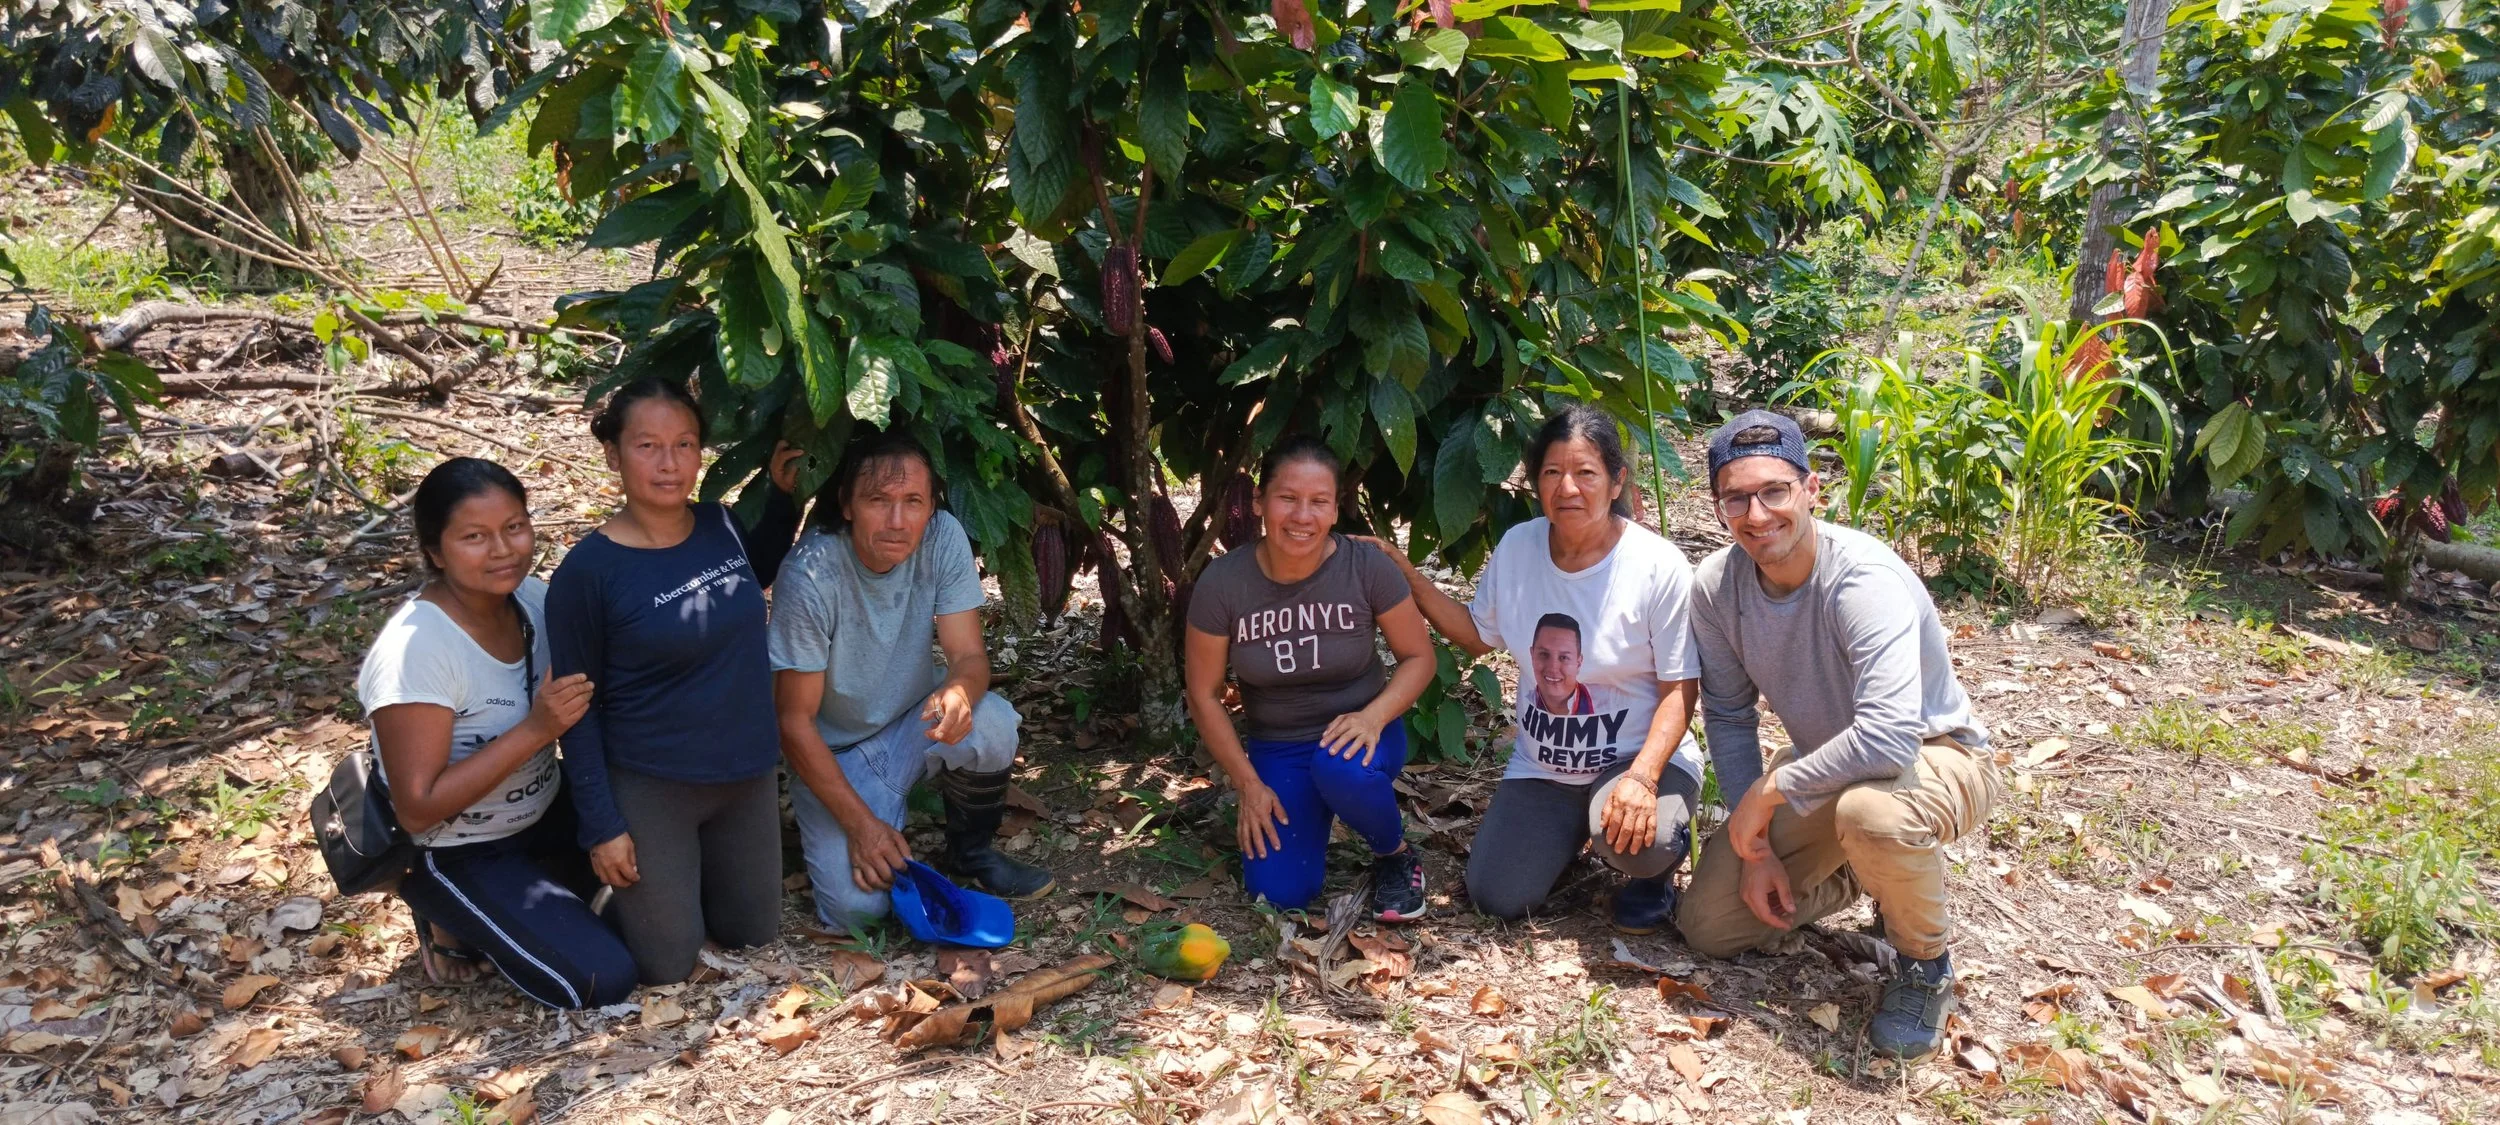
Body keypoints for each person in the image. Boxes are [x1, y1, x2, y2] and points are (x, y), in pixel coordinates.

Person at [1676, 410, 1999, 1062]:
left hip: (1938, 754)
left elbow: (1886, 739)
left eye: (1774, 491)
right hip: (1829, 762)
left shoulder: (1861, 579)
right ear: (1717, 506)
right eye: (1736, 497)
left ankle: (1923, 963)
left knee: (1870, 812)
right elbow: (1731, 716)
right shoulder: (1716, 587)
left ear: (1810, 490)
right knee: (1708, 925)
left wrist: (1769, 793)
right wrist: (1754, 836)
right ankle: (1866, 871)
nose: (1757, 513)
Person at [1364, 405, 1704, 932]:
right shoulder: (1519, 546)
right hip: (1548, 766)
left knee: (1644, 843)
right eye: (1552, 473)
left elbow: (1680, 687)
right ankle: (1567, 832)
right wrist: (1409, 577)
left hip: (1636, 759)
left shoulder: (1656, 566)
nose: (1568, 488)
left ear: (1617, 482)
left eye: (1586, 473)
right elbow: (1478, 635)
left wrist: (1642, 777)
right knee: (1496, 894)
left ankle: (1651, 879)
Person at [547, 377, 805, 985]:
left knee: (752, 931)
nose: (669, 464)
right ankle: (580, 882)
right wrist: (602, 826)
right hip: (652, 779)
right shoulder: (588, 572)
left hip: (743, 773)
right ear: (613, 455)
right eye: (647, 446)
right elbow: (575, 711)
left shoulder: (721, 525)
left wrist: (784, 496)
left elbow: (756, 570)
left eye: (684, 445)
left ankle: (680, 882)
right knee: (666, 961)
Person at [356, 457, 636, 1008]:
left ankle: (510, 909)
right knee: (602, 979)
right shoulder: (416, 652)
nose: (503, 549)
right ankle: (438, 905)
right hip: (460, 846)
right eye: (474, 537)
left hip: (547, 812)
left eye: (514, 527)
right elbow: (417, 808)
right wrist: (537, 728)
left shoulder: (533, 599)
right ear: (436, 552)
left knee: (671, 916)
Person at [769, 430, 1055, 934]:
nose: (898, 521)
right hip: (834, 758)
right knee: (858, 912)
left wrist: (960, 692)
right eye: (879, 500)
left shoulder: (942, 536)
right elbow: (793, 723)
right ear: (848, 504)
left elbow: (969, 655)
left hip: (908, 724)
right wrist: (861, 826)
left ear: (931, 506)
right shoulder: (811, 575)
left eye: (913, 502)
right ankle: (876, 822)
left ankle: (970, 852)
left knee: (989, 721)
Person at [1183, 437, 1438, 920]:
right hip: (1280, 745)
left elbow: (1418, 657)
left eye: (1319, 501)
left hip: (1364, 731)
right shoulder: (1224, 582)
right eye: (1287, 498)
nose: (1302, 516)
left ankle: (1395, 855)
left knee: (1340, 767)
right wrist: (1248, 784)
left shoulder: (1366, 568)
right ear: (1259, 501)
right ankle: (1310, 808)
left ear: (1335, 509)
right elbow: (1203, 694)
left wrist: (1373, 717)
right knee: (1279, 895)